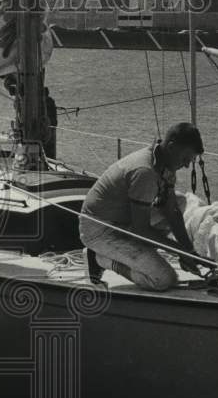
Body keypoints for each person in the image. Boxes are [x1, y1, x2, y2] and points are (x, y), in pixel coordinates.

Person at [80, 122, 206, 290]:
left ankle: (136, 253)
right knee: (163, 280)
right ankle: (100, 259)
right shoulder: (145, 172)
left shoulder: (164, 162)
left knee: (180, 202)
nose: (186, 165)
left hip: (121, 220)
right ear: (171, 147)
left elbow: (172, 212)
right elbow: (142, 230)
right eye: (185, 159)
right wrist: (180, 252)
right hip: (98, 229)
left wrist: (190, 252)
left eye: (190, 161)